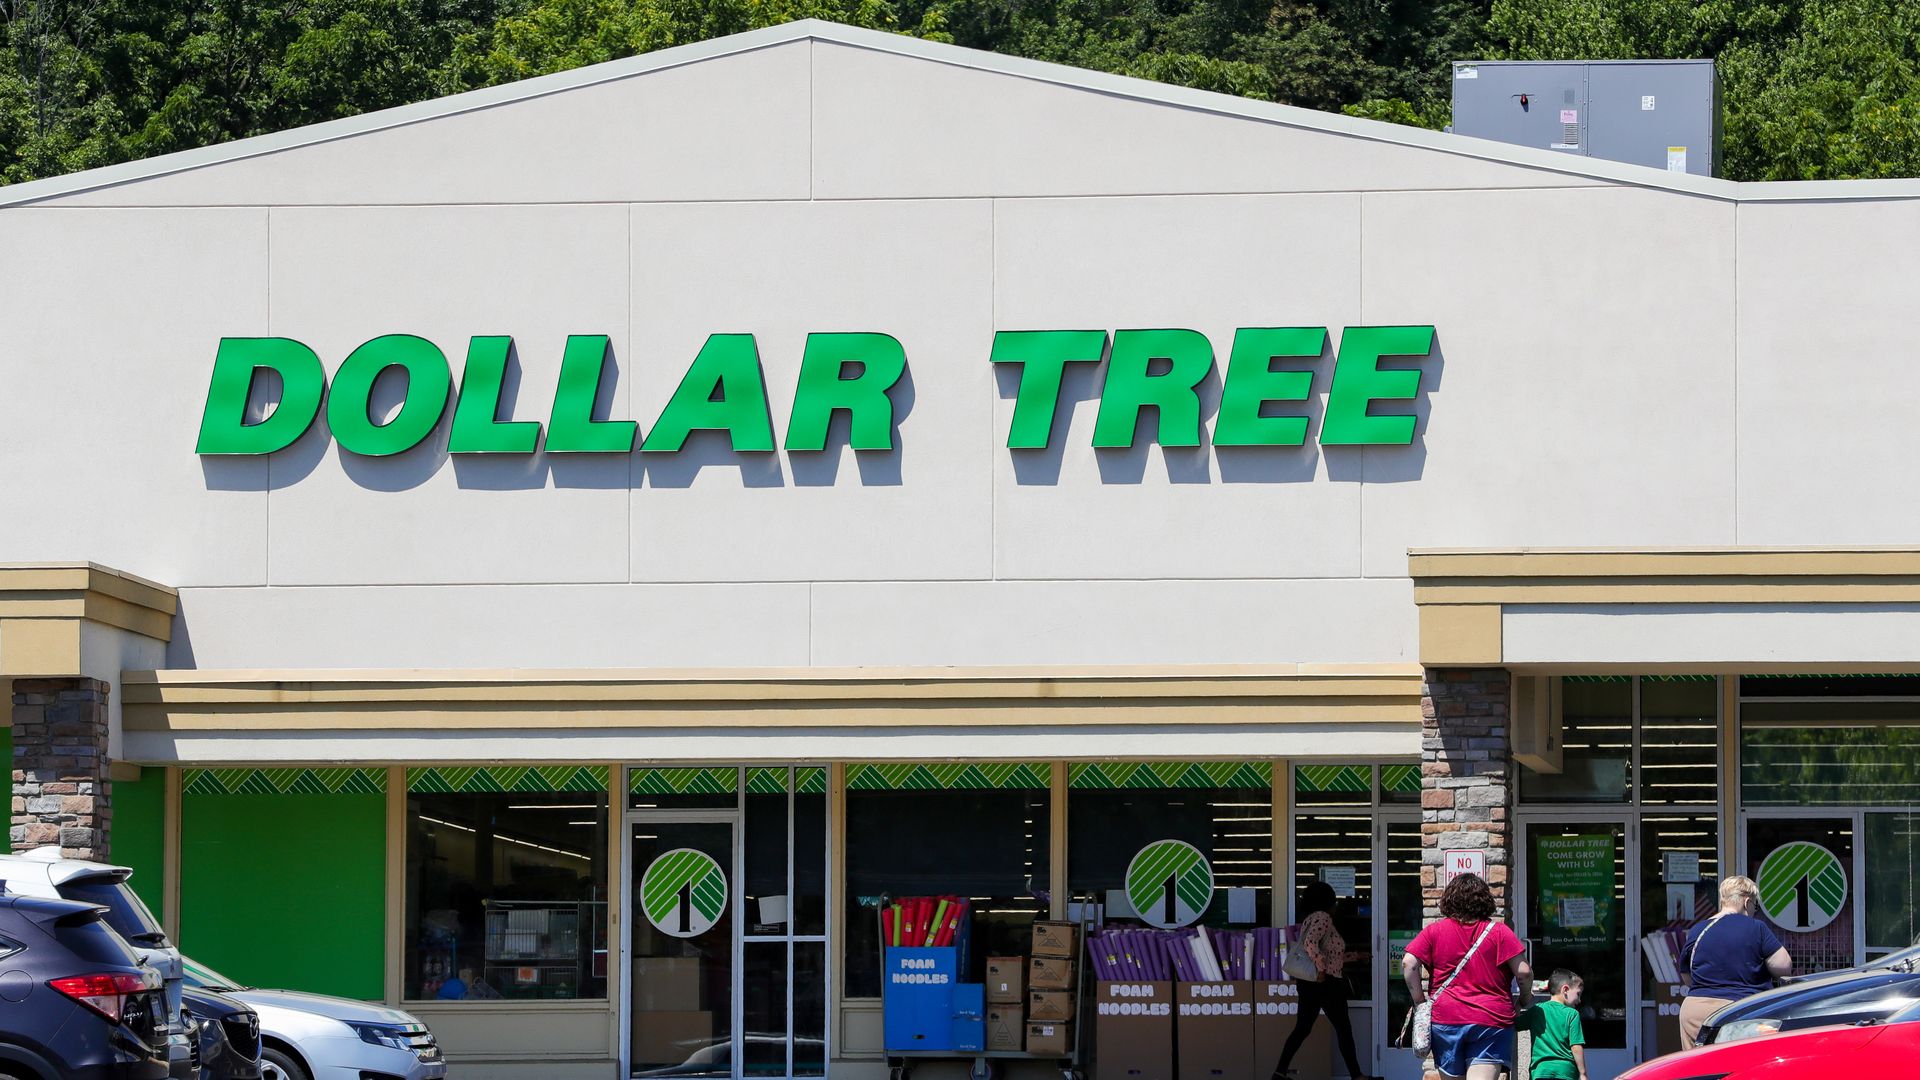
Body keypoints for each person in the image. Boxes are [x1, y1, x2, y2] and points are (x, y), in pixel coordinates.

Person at [1403, 873, 1532, 1080]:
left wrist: (1420, 1001)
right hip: (1490, 1019)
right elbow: (1523, 972)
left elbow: (1409, 963)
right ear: (1485, 900)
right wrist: (1525, 998)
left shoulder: (1434, 931)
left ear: (1449, 900)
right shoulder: (1500, 932)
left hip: (1446, 1019)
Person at [1678, 875, 1791, 1050]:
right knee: (1740, 1062)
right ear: (1747, 902)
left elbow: (1687, 977)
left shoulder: (1698, 929)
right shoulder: (1756, 927)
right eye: (1755, 905)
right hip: (1739, 1011)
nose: (1754, 910)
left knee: (1697, 1064)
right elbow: (1783, 967)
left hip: (1695, 1012)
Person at [1275, 881, 1374, 1079]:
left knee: (1302, 1029)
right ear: (1326, 901)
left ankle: (1279, 1073)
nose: (1336, 903)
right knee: (1343, 1029)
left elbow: (1330, 956)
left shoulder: (1310, 919)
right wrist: (1320, 970)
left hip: (1309, 984)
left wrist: (1355, 956)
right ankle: (1357, 1075)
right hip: (1326, 983)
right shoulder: (1323, 917)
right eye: (1333, 899)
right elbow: (1311, 943)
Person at [1524, 969, 1587, 1080]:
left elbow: (1513, 1023)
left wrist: (1519, 1002)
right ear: (1565, 990)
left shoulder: (1537, 1010)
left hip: (1541, 1071)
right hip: (1565, 1072)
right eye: (1578, 994)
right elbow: (1576, 1046)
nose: (1579, 1000)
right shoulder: (1572, 1014)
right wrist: (1583, 1073)